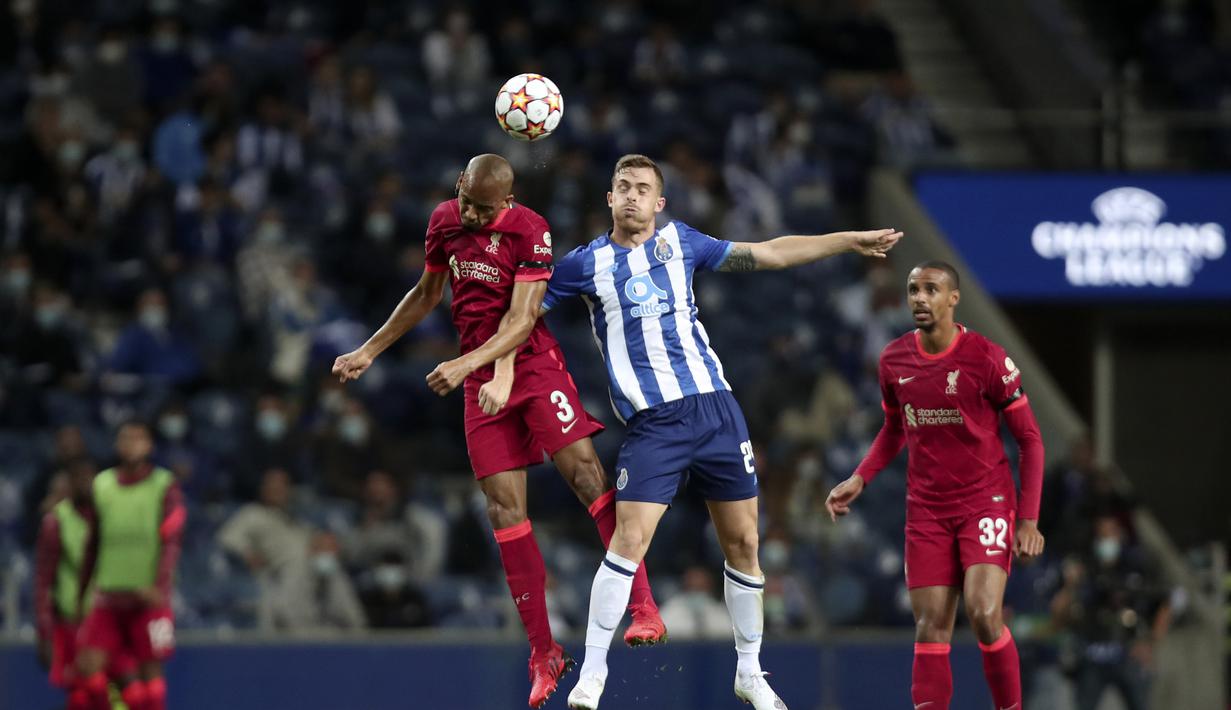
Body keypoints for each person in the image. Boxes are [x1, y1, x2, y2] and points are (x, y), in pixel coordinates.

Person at [538, 153, 901, 710]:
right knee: (629, 540)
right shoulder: (584, 265)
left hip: (716, 412)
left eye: (643, 189)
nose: (632, 196)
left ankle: (750, 673)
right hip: (654, 423)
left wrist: (846, 240)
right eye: (622, 187)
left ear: (660, 203)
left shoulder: (682, 242)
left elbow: (770, 252)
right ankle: (592, 673)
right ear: (609, 199)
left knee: (745, 543)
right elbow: (522, 313)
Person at [332, 154, 663, 708]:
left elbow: (521, 318)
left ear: (505, 203)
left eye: (484, 209)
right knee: (503, 509)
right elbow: (427, 293)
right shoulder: (444, 220)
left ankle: (643, 602)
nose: (472, 215)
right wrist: (369, 348)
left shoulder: (530, 230)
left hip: (532, 365)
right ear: (458, 185)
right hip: (478, 377)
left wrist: (467, 365)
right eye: (466, 201)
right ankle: (542, 652)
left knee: (585, 474)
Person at [825, 261, 1045, 710]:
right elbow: (894, 428)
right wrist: (860, 477)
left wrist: (1028, 520)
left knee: (984, 614)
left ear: (953, 299)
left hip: (986, 500)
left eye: (930, 289)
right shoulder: (893, 360)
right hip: (926, 511)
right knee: (930, 627)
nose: (919, 298)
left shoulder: (987, 358)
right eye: (912, 290)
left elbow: (1030, 439)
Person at [75, 421, 186, 710]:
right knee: (89, 666)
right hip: (109, 594)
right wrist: (81, 592)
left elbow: (172, 540)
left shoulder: (164, 484)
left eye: (139, 438)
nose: (132, 444)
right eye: (126, 438)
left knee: (151, 670)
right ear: (116, 445)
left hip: (148, 597)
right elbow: (93, 543)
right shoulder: (103, 484)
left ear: (149, 445)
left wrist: (160, 585)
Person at [1050, 514, 1171, 710]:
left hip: (1128, 653)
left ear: (1120, 535)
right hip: (1091, 655)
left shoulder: (1135, 565)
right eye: (1101, 536)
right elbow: (1057, 616)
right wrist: (1071, 586)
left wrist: (1151, 643)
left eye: (1110, 535)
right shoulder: (1086, 567)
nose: (1105, 541)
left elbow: (1164, 601)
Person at [33, 458, 98, 709]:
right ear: (70, 484)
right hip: (72, 622)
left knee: (114, 690)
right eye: (78, 478)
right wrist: (44, 630)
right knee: (80, 693)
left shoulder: (109, 517)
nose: (85, 484)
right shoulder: (56, 521)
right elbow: (43, 580)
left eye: (90, 477)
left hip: (107, 619)